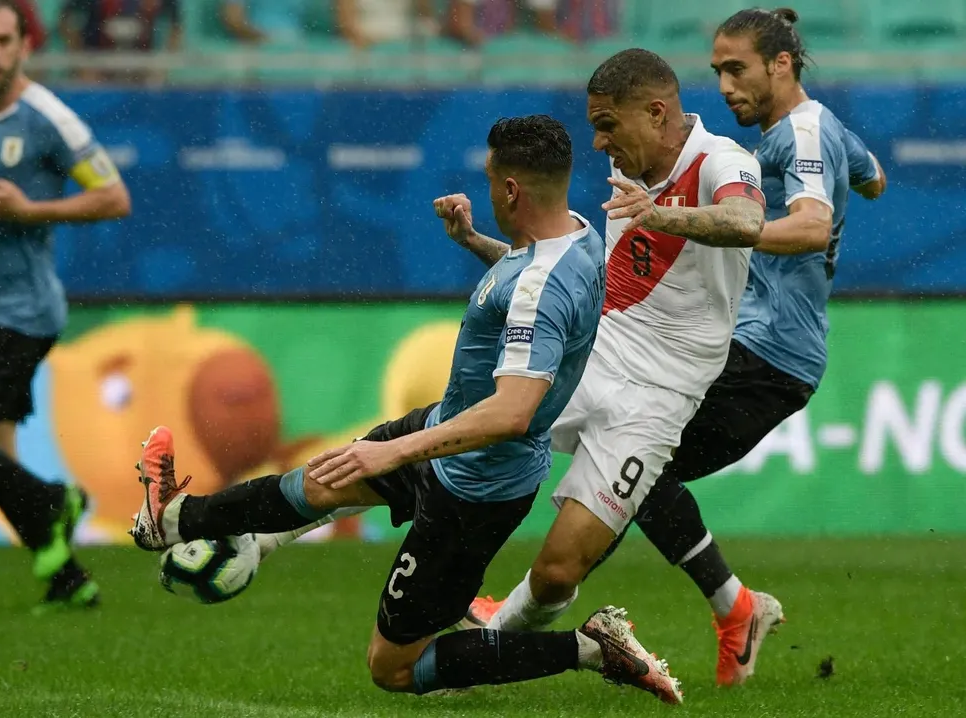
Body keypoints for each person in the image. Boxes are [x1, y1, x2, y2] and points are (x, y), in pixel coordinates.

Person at [129, 115, 684, 705]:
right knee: (323, 480)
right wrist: (473, 240)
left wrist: (391, 451)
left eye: (493, 180)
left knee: (394, 669)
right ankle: (175, 519)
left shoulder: (542, 283)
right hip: (446, 429)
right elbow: (528, 286)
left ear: (513, 189)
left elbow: (512, 412)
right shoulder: (576, 235)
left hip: (475, 485)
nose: (491, 190)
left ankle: (593, 647)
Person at [472, 8, 888, 688]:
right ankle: (720, 607)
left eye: (738, 69)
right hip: (759, 342)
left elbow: (810, 228)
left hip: (765, 345)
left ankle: (536, 613)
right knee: (634, 470)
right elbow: (875, 180)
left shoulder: (801, 134)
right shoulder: (822, 128)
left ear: (782, 64)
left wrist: (711, 225)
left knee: (636, 462)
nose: (724, 85)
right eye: (718, 70)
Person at [442, 45, 767, 670]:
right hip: (594, 361)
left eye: (607, 124)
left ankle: (488, 647)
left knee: (561, 568)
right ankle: (268, 534)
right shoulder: (631, 181)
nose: (596, 143)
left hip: (660, 397)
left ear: (655, 111)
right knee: (451, 433)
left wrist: (663, 216)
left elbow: (746, 219)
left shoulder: (724, 160)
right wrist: (476, 241)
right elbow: (564, 279)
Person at [0, 0, 131, 609]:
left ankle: (54, 502)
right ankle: (66, 578)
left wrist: (29, 211)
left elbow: (115, 197)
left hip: (22, 312)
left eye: (2, 41)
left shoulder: (49, 119)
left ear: (23, 46)